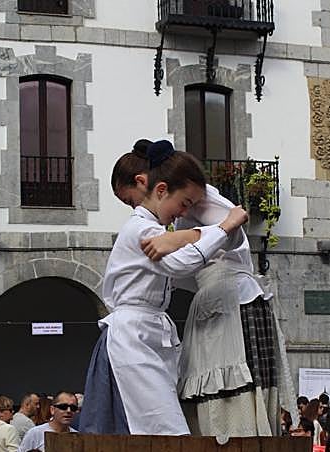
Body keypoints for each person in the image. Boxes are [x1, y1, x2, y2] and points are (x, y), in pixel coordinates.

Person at [112, 139, 295, 437]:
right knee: (207, 393)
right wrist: (184, 237)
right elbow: (185, 263)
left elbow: (235, 230)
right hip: (210, 296)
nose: (136, 208)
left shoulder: (194, 195)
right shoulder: (154, 222)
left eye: (131, 200)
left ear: (147, 183)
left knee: (229, 391)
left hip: (231, 296)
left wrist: (181, 237)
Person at [78, 140, 247, 436]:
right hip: (132, 336)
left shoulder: (159, 229)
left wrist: (194, 233)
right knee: (164, 429)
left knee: (159, 427)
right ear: (160, 190)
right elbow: (181, 264)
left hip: (147, 332)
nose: (184, 212)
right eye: (184, 204)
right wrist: (216, 228)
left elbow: (233, 236)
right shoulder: (141, 229)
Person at [10, 391, 79, 452]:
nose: (69, 411)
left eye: (73, 408)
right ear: (52, 410)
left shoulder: (77, 437)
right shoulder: (35, 433)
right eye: (63, 407)